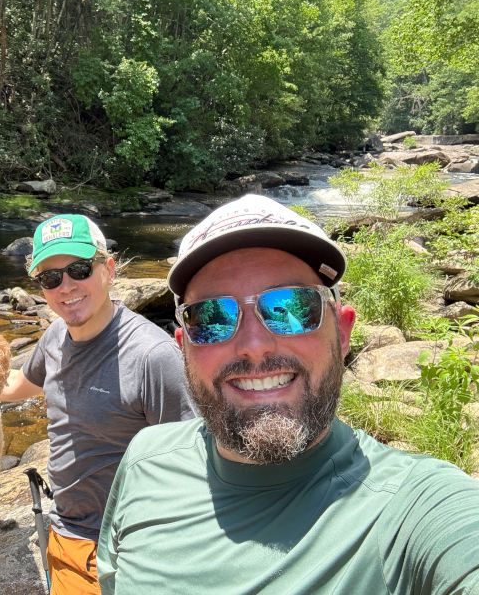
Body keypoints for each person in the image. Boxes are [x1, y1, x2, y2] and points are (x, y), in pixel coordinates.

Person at [97, 194, 479, 594]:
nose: (255, 345)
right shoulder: (145, 459)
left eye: (292, 306)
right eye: (212, 317)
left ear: (343, 332)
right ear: (183, 346)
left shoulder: (413, 507)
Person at [0, 213, 195, 595]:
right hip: (66, 532)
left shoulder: (153, 356)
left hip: (126, 547)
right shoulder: (55, 336)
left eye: (79, 269)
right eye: (51, 278)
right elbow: (23, 383)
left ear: (109, 269)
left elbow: (193, 464)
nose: (66, 286)